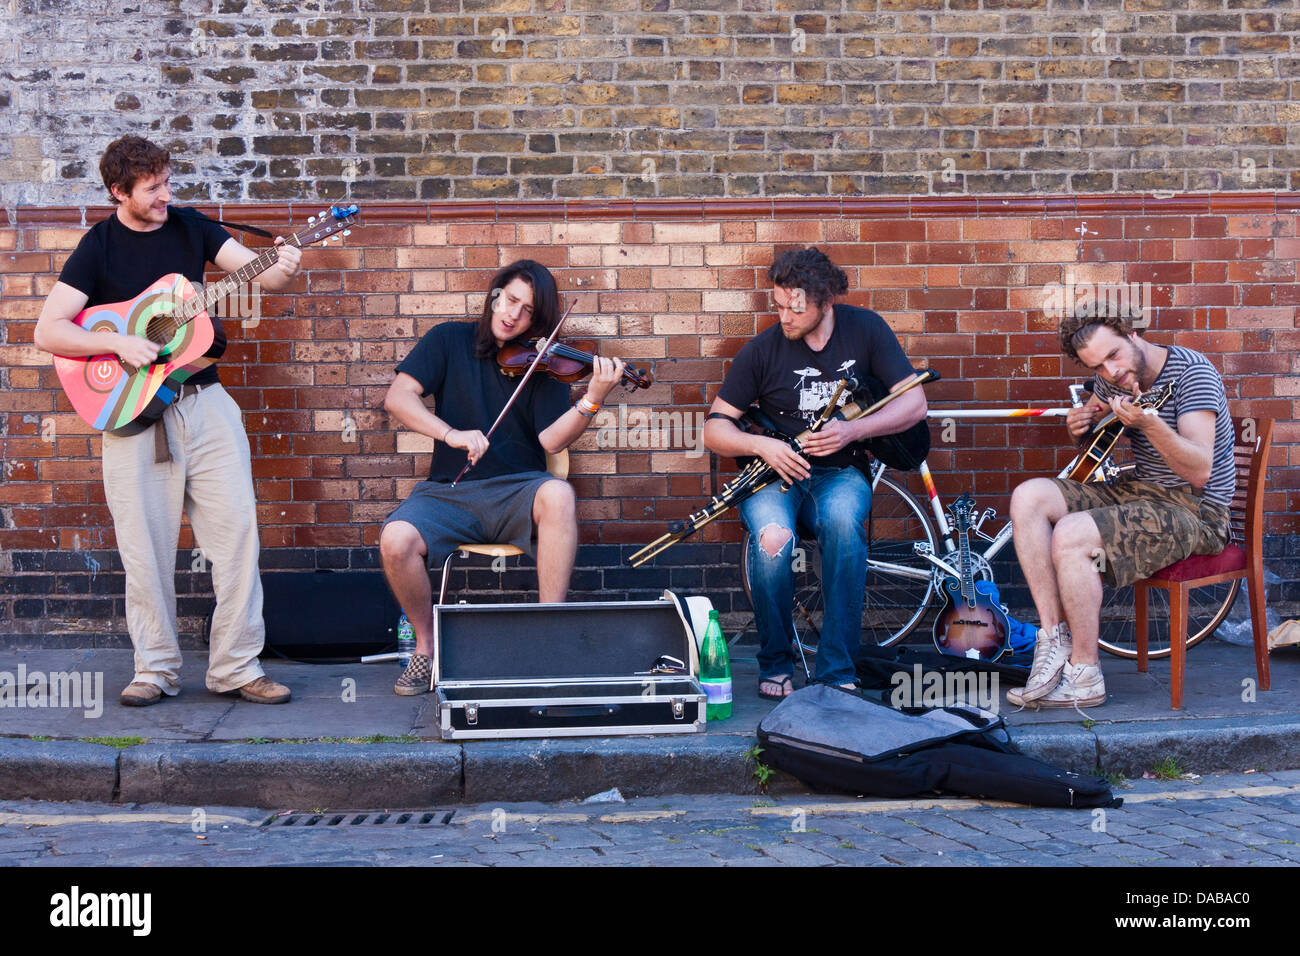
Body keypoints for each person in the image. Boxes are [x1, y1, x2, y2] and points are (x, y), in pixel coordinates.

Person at [33, 135, 303, 706]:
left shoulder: (191, 227)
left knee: (236, 539)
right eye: (152, 188)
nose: (165, 195)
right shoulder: (98, 246)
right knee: (144, 549)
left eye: (167, 183)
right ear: (118, 192)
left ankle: (236, 666)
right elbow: (48, 330)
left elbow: (260, 277)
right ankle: (154, 668)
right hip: (133, 416)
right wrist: (121, 345)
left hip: (203, 402)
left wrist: (285, 264)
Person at [380, 260, 624, 696]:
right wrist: (450, 433)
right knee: (395, 539)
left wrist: (592, 398)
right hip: (450, 492)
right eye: (510, 300)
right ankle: (425, 646)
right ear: (495, 295)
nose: (514, 315)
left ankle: (551, 639)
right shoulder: (447, 340)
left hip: (519, 491)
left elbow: (551, 441)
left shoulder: (544, 361)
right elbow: (398, 398)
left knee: (559, 495)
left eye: (528, 310)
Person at [702, 247, 927, 698]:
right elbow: (714, 427)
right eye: (779, 305)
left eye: (795, 308)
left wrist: (852, 432)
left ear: (826, 302)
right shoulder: (763, 350)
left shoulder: (865, 330)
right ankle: (776, 661)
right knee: (772, 540)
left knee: (844, 527)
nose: (784, 316)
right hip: (774, 474)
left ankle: (835, 669)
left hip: (840, 471)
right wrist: (760, 444)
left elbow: (915, 403)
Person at [1007, 308, 1236, 709]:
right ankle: (1052, 640)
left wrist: (1150, 424)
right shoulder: (1108, 379)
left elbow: (1200, 470)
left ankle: (1085, 674)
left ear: (1131, 333)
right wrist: (1082, 424)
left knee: (1072, 534)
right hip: (1141, 493)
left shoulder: (1191, 373)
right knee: (1029, 497)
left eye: (1114, 355)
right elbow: (1098, 424)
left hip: (1197, 511)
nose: (1111, 372)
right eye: (1098, 365)